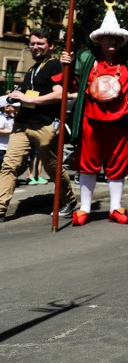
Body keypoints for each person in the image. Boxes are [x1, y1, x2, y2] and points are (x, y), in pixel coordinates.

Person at [62, 2, 128, 226]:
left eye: (115, 37)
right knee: (88, 162)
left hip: (122, 121)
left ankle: (115, 207)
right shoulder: (86, 58)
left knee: (118, 163)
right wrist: (65, 64)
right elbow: (69, 81)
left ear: (122, 40)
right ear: (99, 40)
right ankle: (84, 208)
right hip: (91, 120)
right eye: (107, 37)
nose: (112, 41)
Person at [0, 29, 77, 222]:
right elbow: (27, 97)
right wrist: (16, 97)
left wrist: (26, 97)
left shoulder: (54, 66)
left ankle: (69, 200)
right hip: (22, 125)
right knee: (9, 165)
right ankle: (0, 209)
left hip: (44, 125)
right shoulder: (32, 69)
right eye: (32, 43)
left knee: (52, 167)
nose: (35, 47)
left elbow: (60, 94)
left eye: (40, 43)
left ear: (50, 46)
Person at [0, 97, 18, 168]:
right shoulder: (2, 118)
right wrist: (10, 131)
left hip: (7, 147)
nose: (17, 109)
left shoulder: (11, 117)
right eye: (15, 107)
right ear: (7, 108)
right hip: (1, 147)